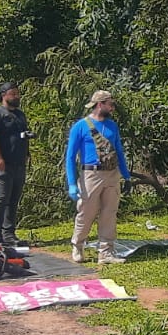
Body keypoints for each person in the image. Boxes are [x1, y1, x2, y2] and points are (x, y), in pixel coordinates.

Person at [66, 90, 131, 265]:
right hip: (91, 174)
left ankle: (106, 252)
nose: (112, 108)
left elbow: (119, 150)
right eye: (110, 104)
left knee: (109, 213)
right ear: (100, 104)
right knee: (86, 212)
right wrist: (72, 183)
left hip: (111, 173)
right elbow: (70, 157)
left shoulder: (112, 126)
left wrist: (126, 175)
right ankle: (78, 245)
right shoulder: (80, 126)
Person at [0, 82, 32, 247]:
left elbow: (22, 136)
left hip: (18, 164)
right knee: (1, 198)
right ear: (4, 95)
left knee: (13, 199)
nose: (17, 96)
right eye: (13, 93)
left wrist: (27, 154)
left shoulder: (20, 115)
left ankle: (8, 234)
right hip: (0, 164)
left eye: (18, 93)